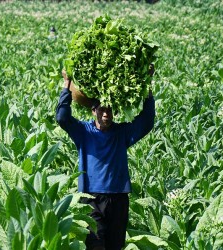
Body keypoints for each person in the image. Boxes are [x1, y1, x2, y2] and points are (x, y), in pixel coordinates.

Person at [56, 65, 155, 250]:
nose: (105, 114)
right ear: (93, 111)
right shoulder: (83, 132)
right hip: (91, 198)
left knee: (115, 246)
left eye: (109, 110)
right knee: (94, 245)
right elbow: (62, 117)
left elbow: (147, 121)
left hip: (118, 198)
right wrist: (67, 84)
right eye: (101, 110)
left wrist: (148, 83)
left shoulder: (121, 133)